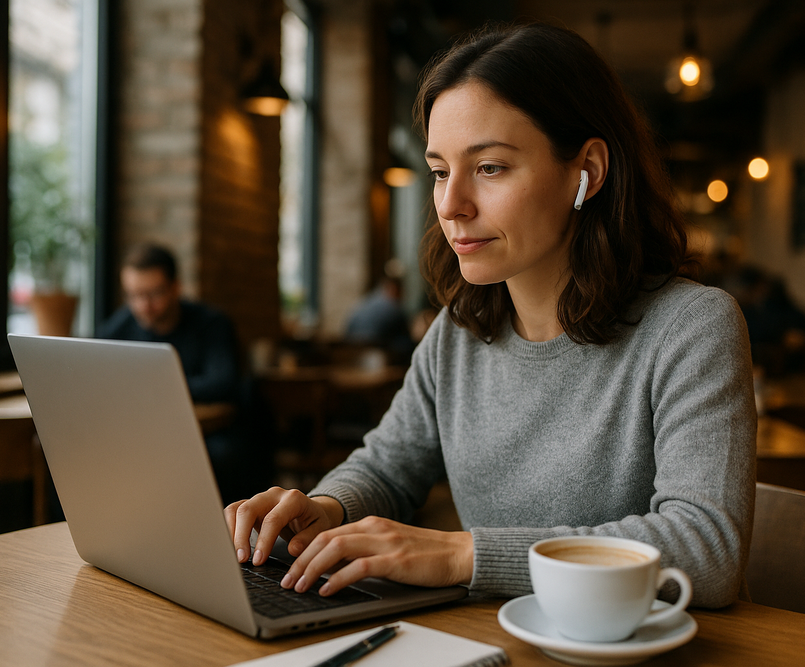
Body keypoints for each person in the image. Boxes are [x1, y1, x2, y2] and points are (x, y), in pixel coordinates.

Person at [225, 22, 756, 608]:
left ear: (589, 172)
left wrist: (462, 555)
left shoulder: (691, 327)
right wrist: (325, 509)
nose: (452, 206)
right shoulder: (457, 332)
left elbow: (707, 551)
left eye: (491, 167)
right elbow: (388, 467)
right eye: (440, 171)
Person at [99, 243, 263, 501]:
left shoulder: (211, 324)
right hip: (146, 432)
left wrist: (151, 388)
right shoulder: (121, 325)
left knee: (217, 457)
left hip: (207, 433)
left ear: (176, 287)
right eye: (133, 295)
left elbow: (223, 382)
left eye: (153, 294)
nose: (143, 306)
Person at [344, 275, 414, 362]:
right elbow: (407, 338)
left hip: (352, 356)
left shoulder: (364, 302)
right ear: (394, 289)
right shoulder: (393, 307)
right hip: (377, 357)